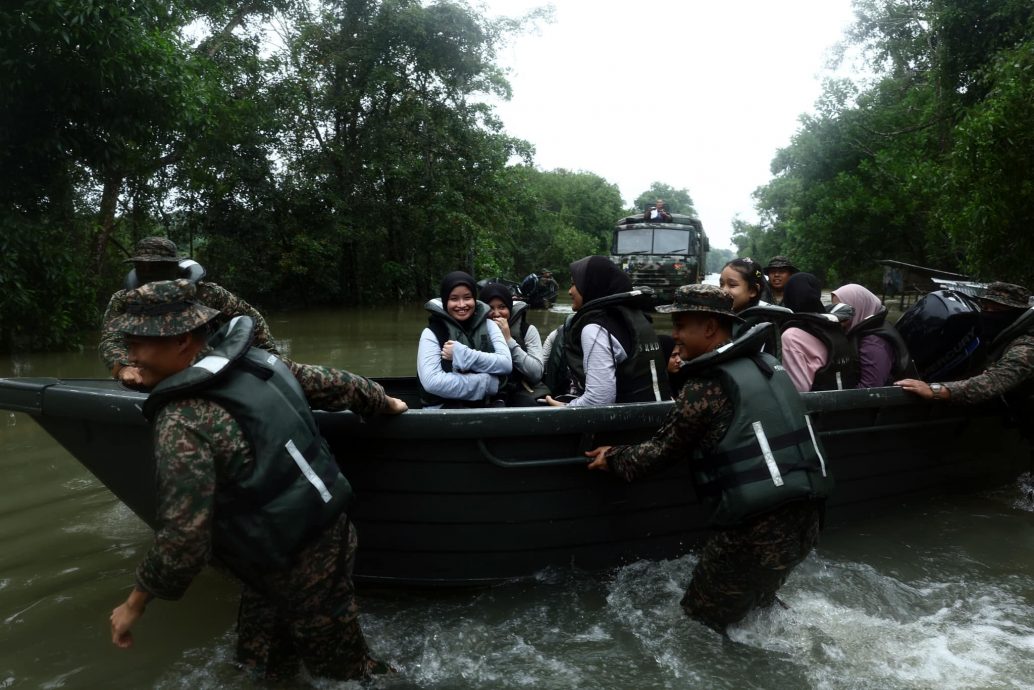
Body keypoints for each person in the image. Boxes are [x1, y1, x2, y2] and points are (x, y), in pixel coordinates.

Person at [106, 279, 408, 681]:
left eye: (138, 343)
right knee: (258, 661)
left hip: (302, 566)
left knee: (349, 674)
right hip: (317, 538)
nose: (130, 356)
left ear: (180, 341)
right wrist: (384, 401)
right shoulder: (259, 362)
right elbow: (337, 384)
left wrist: (134, 604)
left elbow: (184, 541)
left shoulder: (182, 421)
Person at [584, 284, 831, 634]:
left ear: (711, 327)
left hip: (756, 531)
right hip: (806, 521)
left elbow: (659, 452)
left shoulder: (707, 385)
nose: (674, 335)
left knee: (698, 626)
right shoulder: (766, 365)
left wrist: (612, 457)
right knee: (756, 609)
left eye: (681, 325)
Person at [101, 237, 279, 387]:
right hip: (149, 370)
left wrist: (271, 356)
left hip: (205, 366)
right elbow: (111, 339)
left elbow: (250, 319)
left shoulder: (206, 293)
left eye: (157, 266)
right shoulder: (124, 300)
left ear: (174, 267)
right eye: (142, 266)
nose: (149, 272)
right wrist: (124, 367)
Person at [545, 256, 669, 406]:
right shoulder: (637, 317)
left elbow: (598, 400)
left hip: (627, 418)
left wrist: (563, 407)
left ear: (592, 285)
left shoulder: (595, 328)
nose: (570, 291)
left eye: (574, 284)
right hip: (657, 413)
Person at [896, 282, 1034, 410]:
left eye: (998, 310)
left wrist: (937, 390)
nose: (989, 313)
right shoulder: (991, 335)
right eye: (985, 307)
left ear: (1017, 314)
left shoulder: (1027, 346)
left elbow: (996, 380)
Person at [416, 271, 512, 408]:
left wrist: (461, 354)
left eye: (467, 298)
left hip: (484, 405)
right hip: (442, 409)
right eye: (454, 299)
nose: (461, 305)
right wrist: (488, 382)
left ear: (474, 299)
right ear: (445, 301)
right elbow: (432, 382)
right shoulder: (431, 333)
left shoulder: (489, 325)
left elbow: (506, 364)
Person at [780, 273, 859, 392]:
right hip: (843, 397)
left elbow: (798, 389)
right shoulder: (833, 324)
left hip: (817, 401)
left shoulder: (791, 336)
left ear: (788, 296)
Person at [831, 283, 913, 387]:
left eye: (842, 309)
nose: (835, 315)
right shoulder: (864, 327)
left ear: (859, 307)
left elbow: (870, 388)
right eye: (834, 309)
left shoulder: (873, 342)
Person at [480, 282, 545, 406]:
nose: (497, 313)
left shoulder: (527, 331)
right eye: (490, 308)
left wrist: (508, 340)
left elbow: (537, 374)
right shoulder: (475, 331)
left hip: (518, 392)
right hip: (484, 392)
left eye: (502, 307)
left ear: (509, 308)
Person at [721, 257, 791, 358]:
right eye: (721, 284)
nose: (723, 291)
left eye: (732, 285)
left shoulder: (767, 321)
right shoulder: (718, 317)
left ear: (753, 291)